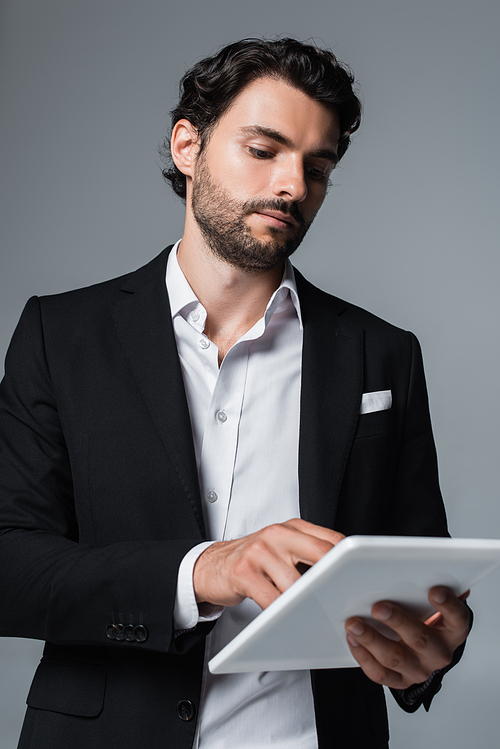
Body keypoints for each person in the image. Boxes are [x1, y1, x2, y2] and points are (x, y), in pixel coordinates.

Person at [0, 38, 470, 749]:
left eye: (318, 166)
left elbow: (415, 582)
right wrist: (204, 570)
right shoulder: (60, 334)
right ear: (188, 145)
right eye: (265, 149)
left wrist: (427, 656)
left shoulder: (384, 354)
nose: (292, 185)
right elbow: (11, 565)